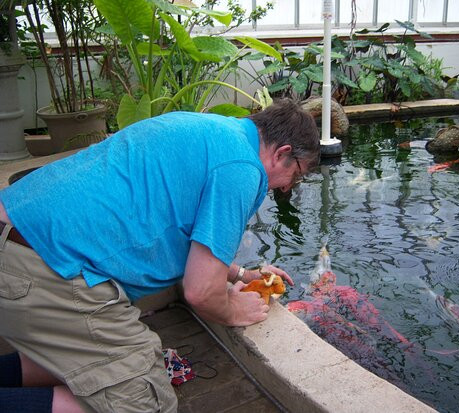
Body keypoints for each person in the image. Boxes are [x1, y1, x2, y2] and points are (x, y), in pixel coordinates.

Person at [0, 99, 320, 412]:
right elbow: (200, 292)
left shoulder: (214, 132)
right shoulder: (243, 169)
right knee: (146, 403)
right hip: (41, 265)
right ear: (283, 154)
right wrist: (234, 309)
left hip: (16, 235)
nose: (286, 189)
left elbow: (186, 233)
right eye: (297, 175)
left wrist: (239, 275)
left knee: (80, 363)